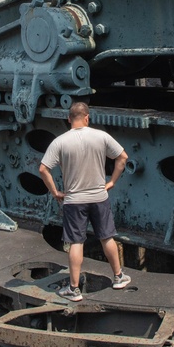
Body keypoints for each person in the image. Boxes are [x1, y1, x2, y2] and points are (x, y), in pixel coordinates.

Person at [39, 102, 131, 301]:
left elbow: (43, 169)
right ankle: (118, 277)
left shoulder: (60, 142)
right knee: (107, 237)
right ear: (87, 118)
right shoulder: (101, 136)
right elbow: (122, 158)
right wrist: (112, 181)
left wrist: (55, 191)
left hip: (74, 199)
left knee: (76, 242)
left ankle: (74, 289)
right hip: (99, 197)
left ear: (69, 119)